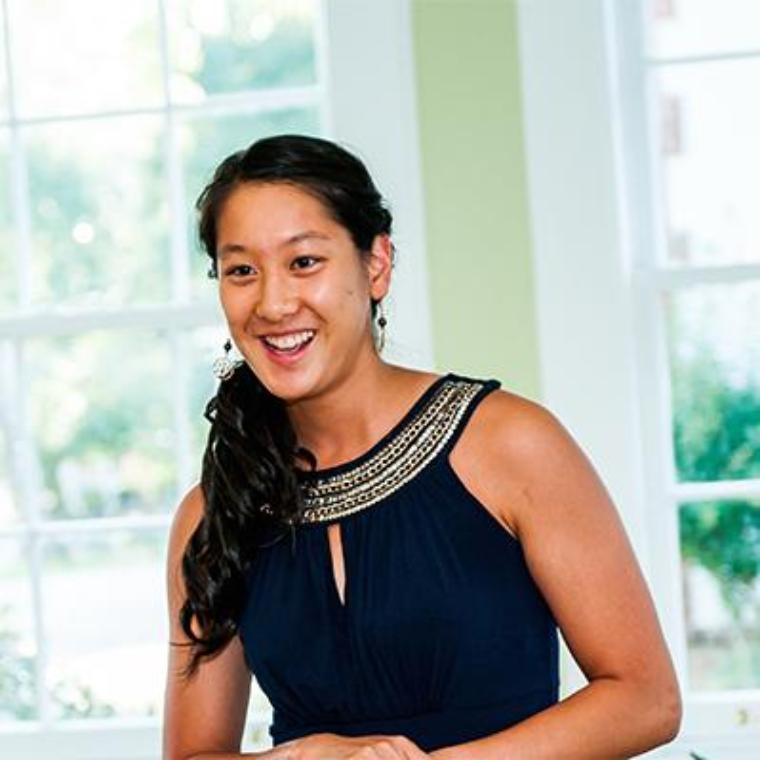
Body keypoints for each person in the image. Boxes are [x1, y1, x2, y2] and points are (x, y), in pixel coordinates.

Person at [162, 134, 682, 760]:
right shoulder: (211, 514)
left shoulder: (511, 445)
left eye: (304, 262)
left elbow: (646, 699)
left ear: (376, 264)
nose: (273, 303)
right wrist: (297, 757)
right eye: (242, 270)